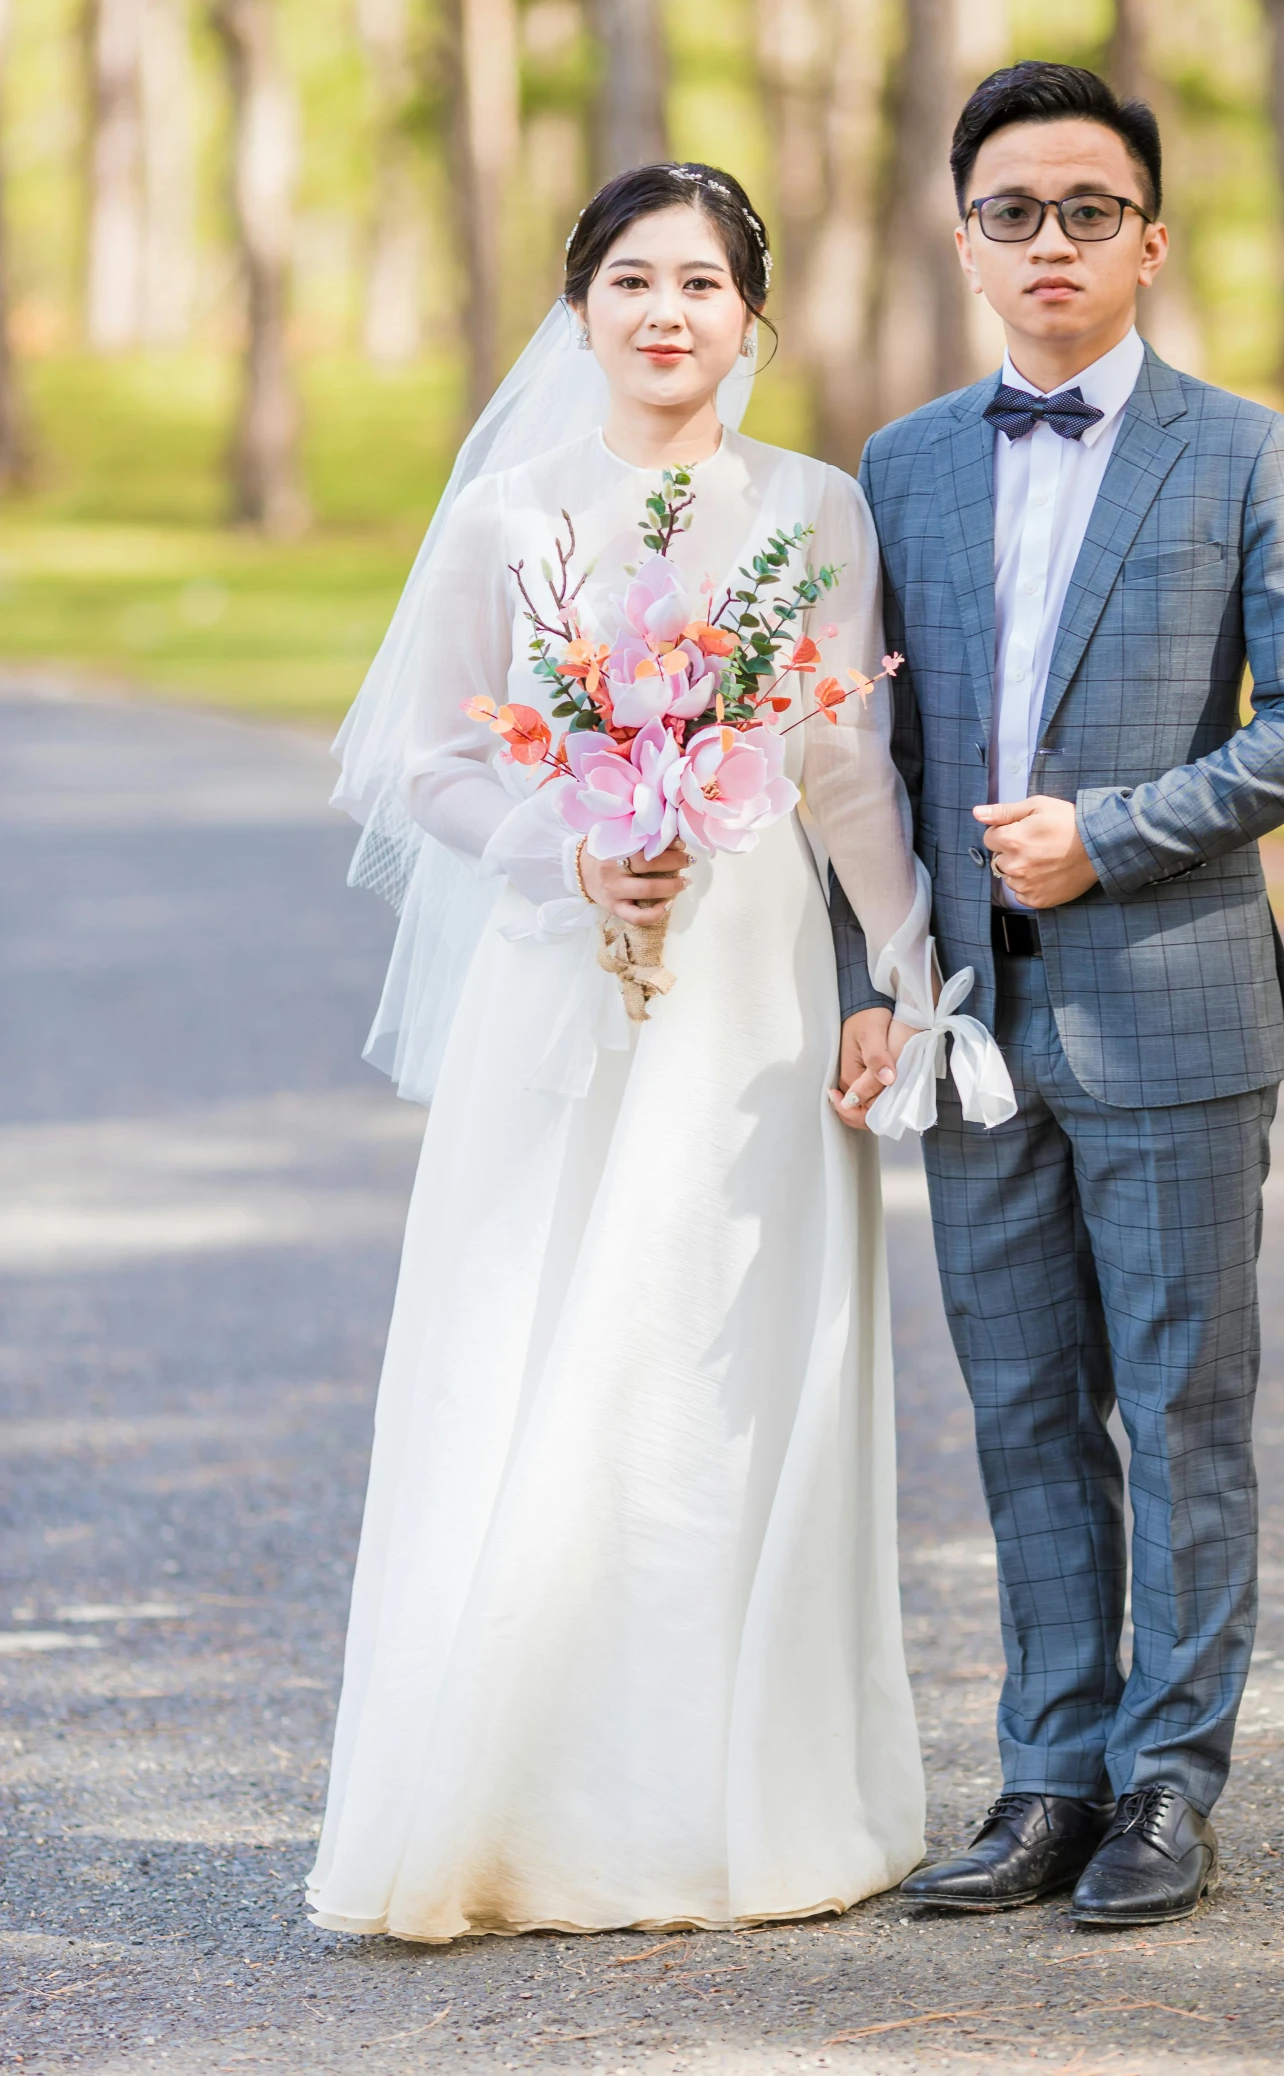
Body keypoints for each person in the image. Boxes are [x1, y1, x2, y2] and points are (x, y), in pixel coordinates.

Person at [306, 162, 1013, 1941]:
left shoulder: (817, 511)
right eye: (629, 280)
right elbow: (429, 764)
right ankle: (514, 1802)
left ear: (750, 320)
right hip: (562, 971)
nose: (664, 313)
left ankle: (743, 1802)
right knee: (534, 1335)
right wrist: (571, 847)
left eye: (700, 282)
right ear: (579, 310)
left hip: (760, 989)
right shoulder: (511, 520)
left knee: (730, 1357)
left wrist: (900, 982)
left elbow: (849, 771)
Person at [832, 63, 1284, 1927]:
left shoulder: (1244, 451)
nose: (1047, 240)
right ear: (963, 237)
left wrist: (1116, 831)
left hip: (1173, 1002)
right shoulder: (892, 468)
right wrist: (875, 983)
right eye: (1011, 210)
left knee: (1181, 1399)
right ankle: (1046, 1773)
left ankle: (1167, 1776)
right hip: (970, 1029)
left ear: (1146, 238)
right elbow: (862, 769)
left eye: (1085, 209)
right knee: (1022, 1406)